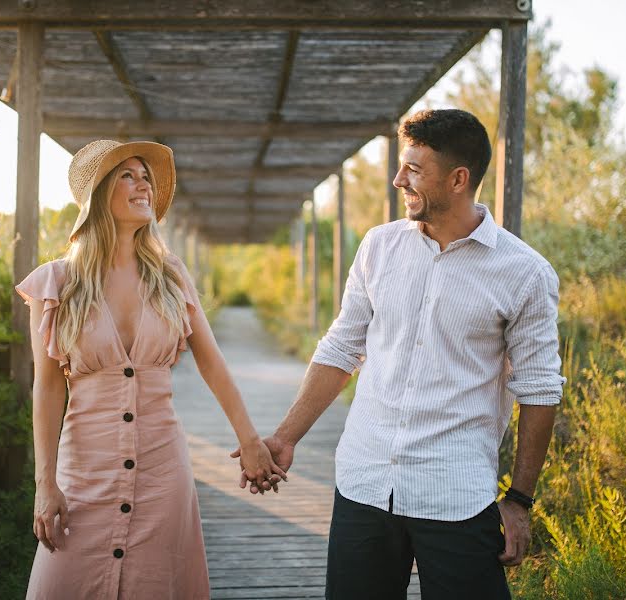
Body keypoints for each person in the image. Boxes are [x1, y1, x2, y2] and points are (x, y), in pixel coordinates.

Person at [236, 109, 565, 598]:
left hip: (455, 493)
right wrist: (287, 436)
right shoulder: (378, 247)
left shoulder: (524, 273)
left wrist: (519, 500)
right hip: (364, 484)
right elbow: (342, 348)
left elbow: (539, 391)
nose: (398, 179)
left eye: (414, 168)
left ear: (459, 179)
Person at [16, 139, 284, 599]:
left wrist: (250, 441)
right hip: (84, 472)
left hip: (163, 471)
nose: (143, 185)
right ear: (100, 193)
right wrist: (46, 483)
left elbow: (212, 362)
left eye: (147, 177)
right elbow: (46, 389)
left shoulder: (171, 275)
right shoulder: (55, 282)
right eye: (128, 175)